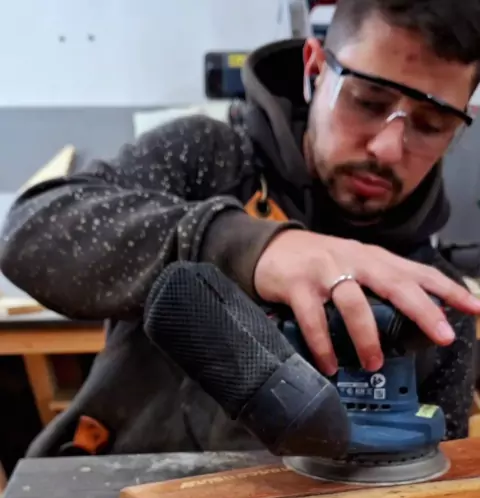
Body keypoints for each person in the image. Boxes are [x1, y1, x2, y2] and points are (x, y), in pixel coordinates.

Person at [1, 0, 480, 458]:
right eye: (368, 101)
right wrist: (248, 248)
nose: (388, 148)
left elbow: (433, 481)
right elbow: (29, 232)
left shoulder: (437, 304)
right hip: (119, 483)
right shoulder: (206, 160)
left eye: (431, 124)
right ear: (314, 70)